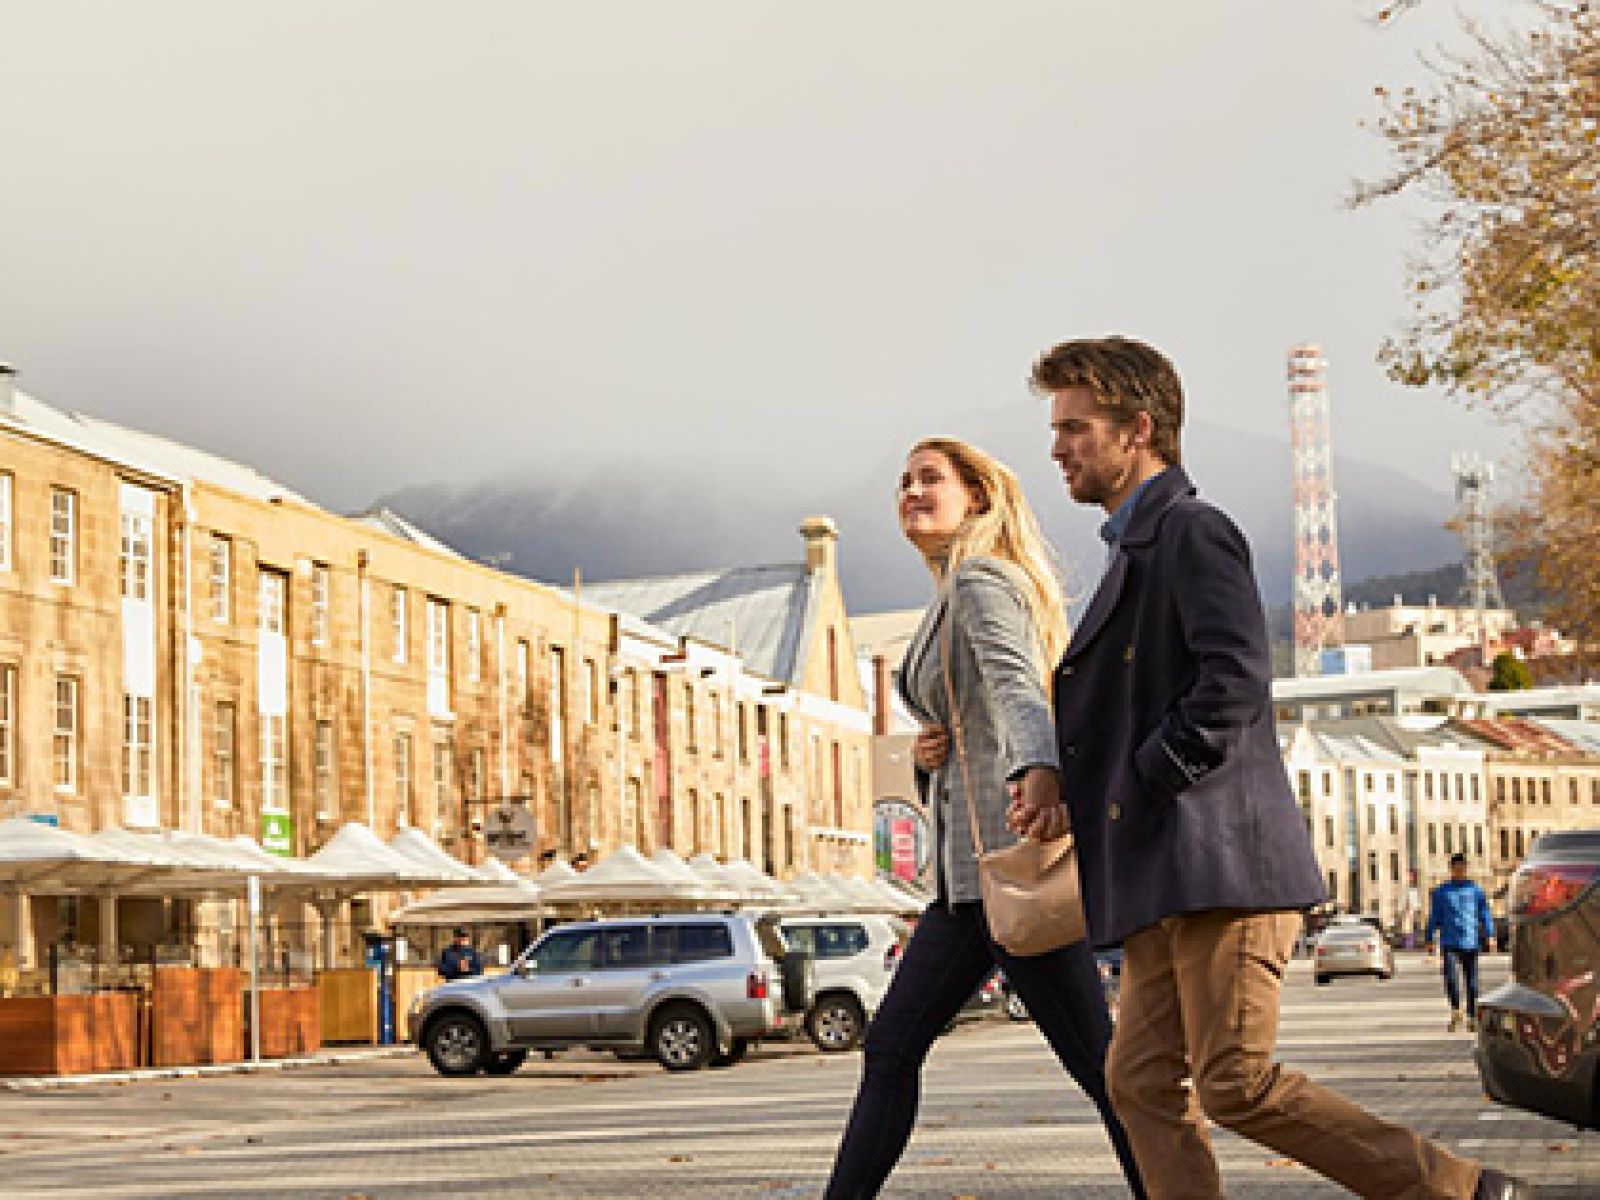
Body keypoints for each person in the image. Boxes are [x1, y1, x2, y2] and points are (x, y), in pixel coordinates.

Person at [1011, 336, 1529, 1200]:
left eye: (1075, 427)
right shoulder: (1134, 548)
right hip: (1159, 880)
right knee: (1138, 1083)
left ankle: (1460, 1191)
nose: (1058, 448)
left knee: (1235, 1083)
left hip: (1222, 870)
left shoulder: (1192, 531)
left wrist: (1139, 781)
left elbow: (1235, 681)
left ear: (1139, 429)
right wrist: (1072, 786)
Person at [823, 436, 1146, 1199]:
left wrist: (1038, 772)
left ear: (978, 494)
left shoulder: (979, 582)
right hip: (971, 885)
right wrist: (929, 751)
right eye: (902, 480)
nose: (910, 490)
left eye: (930, 478)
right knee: (898, 1050)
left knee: (1102, 1073)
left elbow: (1017, 689)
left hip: (1010, 869)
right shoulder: (951, 593)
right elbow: (978, 709)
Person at [1426, 853, 1497, 1032]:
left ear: (1465, 868)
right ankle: (1456, 1009)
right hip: (1449, 941)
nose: (1459, 871)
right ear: (1452, 869)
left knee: (1472, 982)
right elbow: (1434, 916)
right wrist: (1429, 938)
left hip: (1470, 941)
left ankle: (1472, 1015)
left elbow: (1484, 914)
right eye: (1456, 868)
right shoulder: (1441, 892)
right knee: (1450, 978)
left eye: (1462, 867)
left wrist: (1490, 934)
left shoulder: (1475, 890)